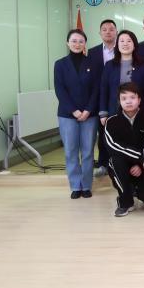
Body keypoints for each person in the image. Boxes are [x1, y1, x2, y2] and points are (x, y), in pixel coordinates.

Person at [53, 29, 99, 199]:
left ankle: (86, 185)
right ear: (67, 43)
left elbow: (96, 89)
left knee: (87, 151)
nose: (77, 44)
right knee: (70, 151)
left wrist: (87, 110)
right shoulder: (60, 64)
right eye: (74, 41)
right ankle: (75, 186)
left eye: (81, 41)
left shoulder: (93, 63)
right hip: (67, 114)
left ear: (85, 43)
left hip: (90, 114)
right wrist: (74, 110)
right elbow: (60, 90)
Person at [103, 82, 144, 217]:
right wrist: (139, 158)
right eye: (124, 98)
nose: (128, 101)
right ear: (119, 101)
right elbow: (113, 146)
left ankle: (132, 189)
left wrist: (140, 165)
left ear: (139, 100)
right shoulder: (111, 121)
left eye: (132, 97)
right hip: (123, 165)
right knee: (114, 161)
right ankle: (125, 201)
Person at [99, 30, 144, 123]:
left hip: (138, 111)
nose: (125, 44)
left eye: (129, 41)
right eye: (122, 41)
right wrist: (103, 112)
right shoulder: (109, 65)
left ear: (134, 45)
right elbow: (104, 89)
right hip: (114, 110)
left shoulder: (143, 65)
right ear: (117, 45)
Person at [87, 18, 117, 177]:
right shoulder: (92, 52)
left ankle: (119, 164)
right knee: (103, 133)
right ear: (100, 33)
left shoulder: (124, 48)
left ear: (116, 32)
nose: (108, 32)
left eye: (111, 29)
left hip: (121, 98)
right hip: (99, 99)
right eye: (104, 29)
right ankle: (103, 164)